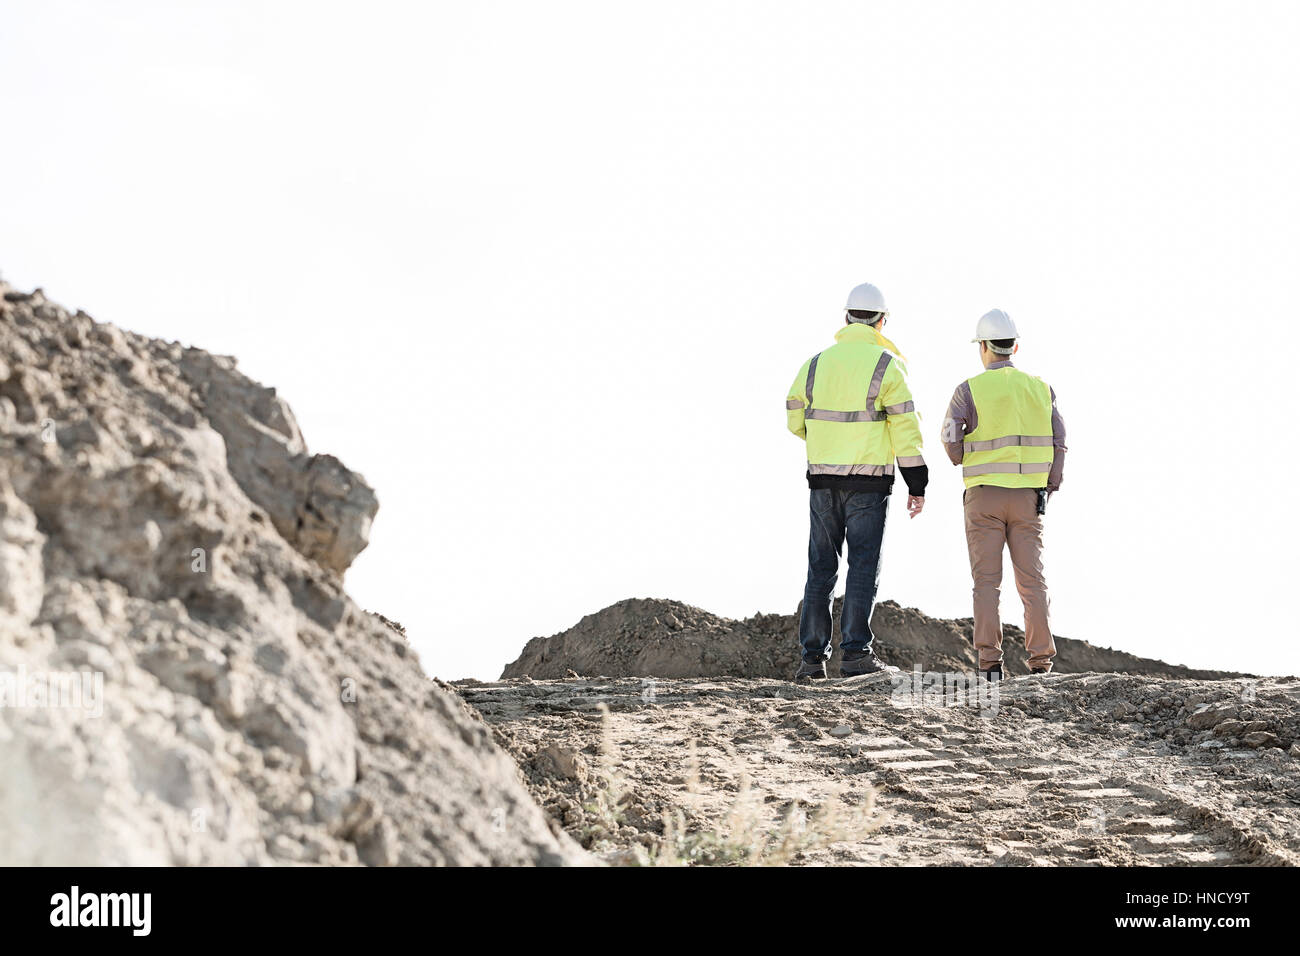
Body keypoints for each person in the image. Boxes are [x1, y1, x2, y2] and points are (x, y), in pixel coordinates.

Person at [785, 282, 927, 680]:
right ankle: (855, 656)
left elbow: (795, 417)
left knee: (820, 566)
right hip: (869, 482)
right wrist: (917, 482)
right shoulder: (888, 364)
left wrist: (824, 443)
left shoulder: (815, 363)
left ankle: (811, 661)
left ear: (845, 318)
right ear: (882, 321)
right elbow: (906, 429)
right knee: (862, 566)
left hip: (822, 480)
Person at [940, 309, 1067, 680]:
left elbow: (949, 437)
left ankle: (989, 663)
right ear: (1015, 346)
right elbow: (1060, 441)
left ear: (983, 347)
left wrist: (961, 457)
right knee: (1033, 582)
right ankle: (1041, 662)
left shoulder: (968, 390)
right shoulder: (1041, 389)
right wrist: (1049, 485)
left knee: (986, 582)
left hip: (984, 497)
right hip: (1028, 498)